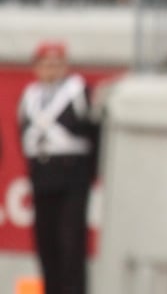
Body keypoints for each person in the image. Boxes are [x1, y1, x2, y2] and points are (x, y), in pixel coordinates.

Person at [17, 41, 100, 294]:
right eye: (45, 64)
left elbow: (95, 134)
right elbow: (21, 132)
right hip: (42, 177)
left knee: (71, 245)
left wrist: (89, 171)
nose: (50, 70)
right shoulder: (29, 96)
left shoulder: (78, 91)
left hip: (72, 177)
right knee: (46, 244)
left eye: (56, 64)